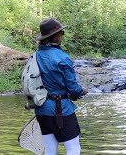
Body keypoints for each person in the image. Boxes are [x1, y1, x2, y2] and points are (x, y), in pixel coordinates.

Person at [34, 17, 88, 155]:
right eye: (61, 33)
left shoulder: (34, 56)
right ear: (56, 36)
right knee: (73, 148)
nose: (62, 35)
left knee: (50, 150)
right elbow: (74, 90)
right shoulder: (62, 58)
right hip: (62, 110)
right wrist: (83, 91)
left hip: (42, 109)